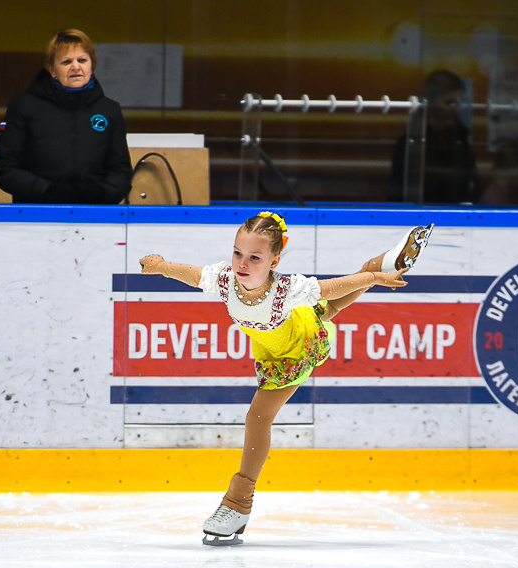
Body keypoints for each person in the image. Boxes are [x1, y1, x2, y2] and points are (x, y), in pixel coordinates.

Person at [139, 212, 434, 544]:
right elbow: (194, 275)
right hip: (280, 338)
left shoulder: (288, 288)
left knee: (259, 416)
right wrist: (161, 266)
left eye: (254, 257)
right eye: (237, 253)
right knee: (331, 308)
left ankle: (238, 502)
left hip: (295, 349)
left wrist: (373, 280)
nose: (242, 263)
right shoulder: (224, 280)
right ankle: (389, 261)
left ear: (274, 261)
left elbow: (331, 287)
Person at [0, 29, 132, 204]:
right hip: (37, 212)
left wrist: (101, 193)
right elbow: (4, 167)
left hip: (94, 213)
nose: (76, 67)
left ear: (92, 64)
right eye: (66, 62)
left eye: (82, 60)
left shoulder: (109, 110)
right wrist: (47, 191)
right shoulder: (24, 107)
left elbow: (121, 170)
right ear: (52, 69)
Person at [387, 70, 481, 205]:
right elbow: (401, 192)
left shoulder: (460, 137)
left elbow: (471, 182)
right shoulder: (413, 141)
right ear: (431, 103)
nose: (456, 108)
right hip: (423, 212)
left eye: (458, 102)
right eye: (449, 103)